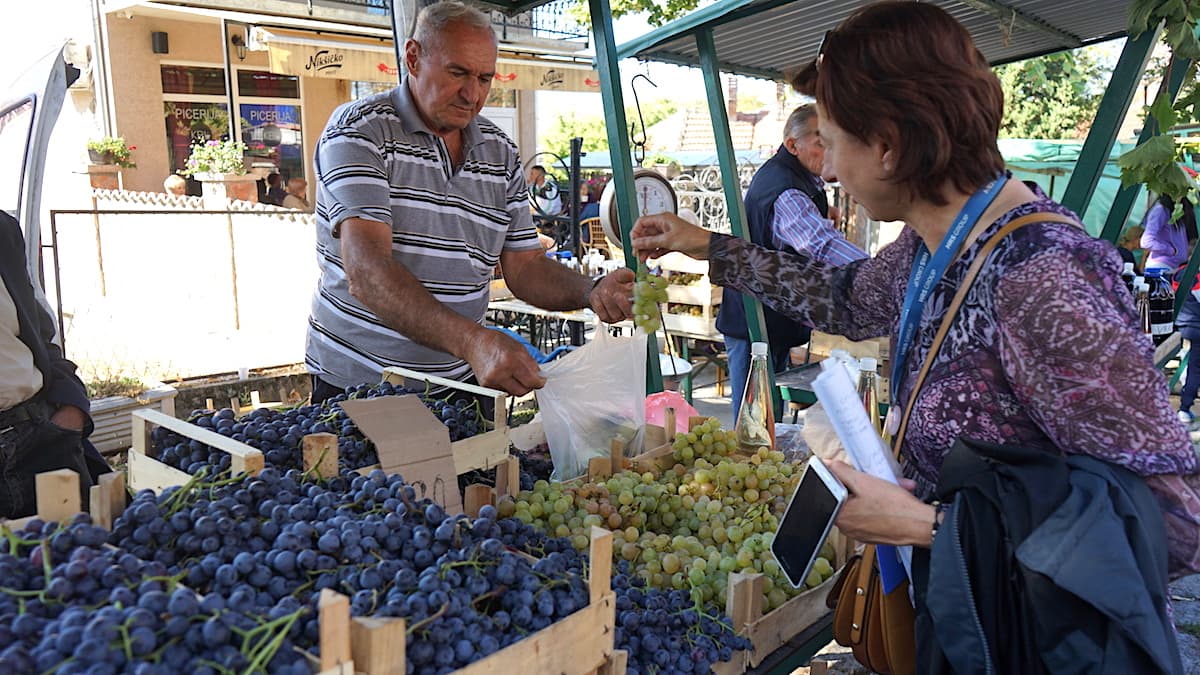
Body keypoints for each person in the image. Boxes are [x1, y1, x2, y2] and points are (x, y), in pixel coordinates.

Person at [632, 2, 1197, 670]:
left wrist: (929, 525)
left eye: (835, 140)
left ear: (891, 146)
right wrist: (710, 248)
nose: (831, 168)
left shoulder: (1042, 280)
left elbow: (1169, 518)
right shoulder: (928, 247)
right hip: (968, 626)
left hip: (1038, 644)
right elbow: (844, 298)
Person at [307, 1, 633, 401]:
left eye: (484, 78)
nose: (472, 93)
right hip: (361, 383)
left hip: (458, 381)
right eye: (457, 72)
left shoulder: (500, 153)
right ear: (413, 58)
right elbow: (368, 270)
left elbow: (526, 266)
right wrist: (473, 342)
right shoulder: (358, 132)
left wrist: (591, 290)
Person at [717, 104, 866, 417]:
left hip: (772, 314)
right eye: (819, 142)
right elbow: (820, 244)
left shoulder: (799, 180)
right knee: (754, 418)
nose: (829, 151)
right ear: (792, 145)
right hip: (753, 318)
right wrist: (878, 274)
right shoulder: (785, 190)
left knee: (769, 410)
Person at [0, 211, 103, 518]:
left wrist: (72, 411)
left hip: (39, 441)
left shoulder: (4, 231)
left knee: (83, 559)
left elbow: (39, 331)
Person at [1143, 194, 1200, 424]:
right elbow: (1146, 241)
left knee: (1168, 349)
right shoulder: (1161, 209)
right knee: (1159, 344)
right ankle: (1162, 405)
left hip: (1184, 315)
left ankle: (1175, 407)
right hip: (1161, 275)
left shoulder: (1182, 209)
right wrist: (1174, 251)